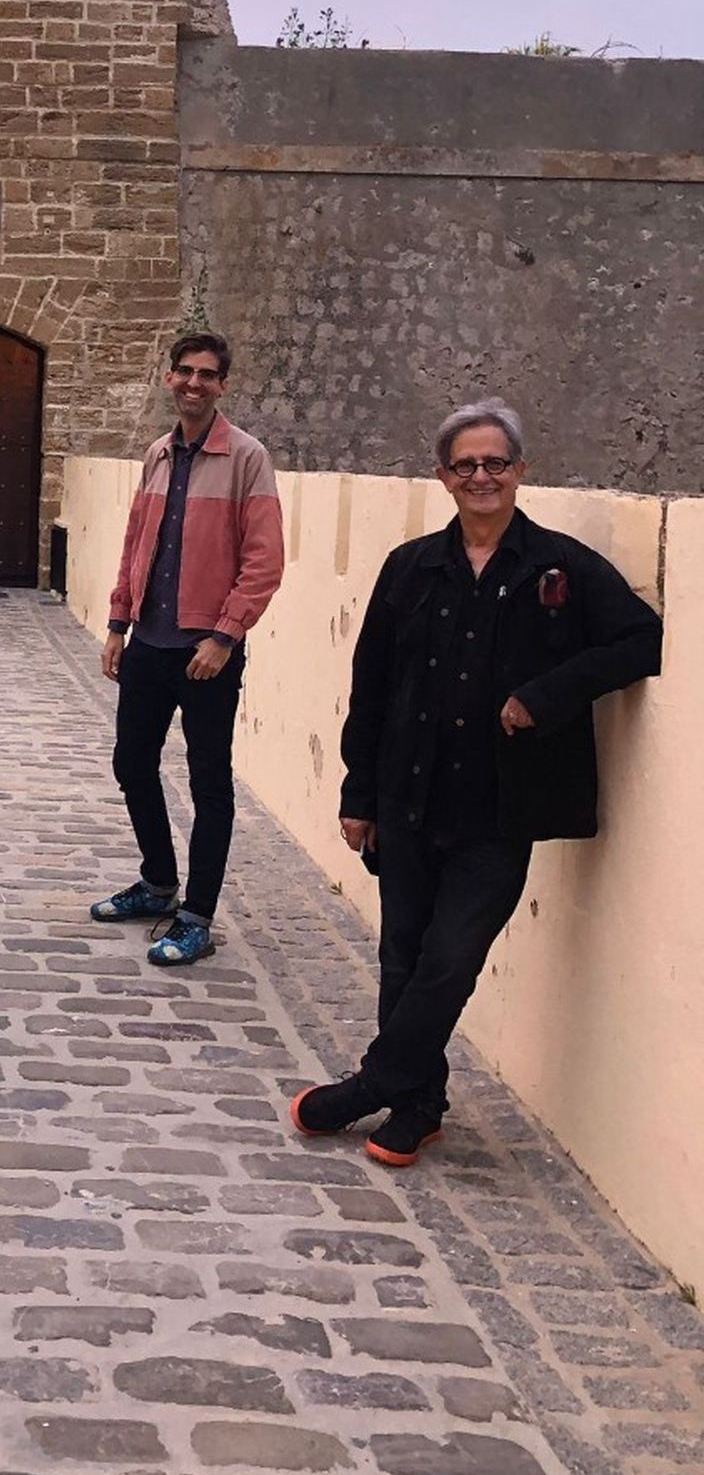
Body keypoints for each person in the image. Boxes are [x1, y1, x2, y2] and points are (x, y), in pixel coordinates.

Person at [292, 400, 662, 1166]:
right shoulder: (411, 567)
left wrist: (545, 696)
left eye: (496, 462)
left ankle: (372, 1085)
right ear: (443, 477)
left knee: (450, 959)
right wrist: (358, 795)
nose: (482, 476)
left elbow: (640, 637)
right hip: (407, 797)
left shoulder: (560, 566)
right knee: (402, 957)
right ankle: (418, 1106)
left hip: (500, 811)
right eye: (466, 464)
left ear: (521, 471)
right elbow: (373, 682)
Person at [92, 331, 284, 965]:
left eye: (207, 374)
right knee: (131, 764)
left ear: (222, 385)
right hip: (148, 639)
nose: (194, 383)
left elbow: (264, 560)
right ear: (169, 378)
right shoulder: (158, 454)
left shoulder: (247, 457)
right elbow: (134, 542)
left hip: (207, 651)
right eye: (184, 372)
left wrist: (226, 635)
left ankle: (196, 915)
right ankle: (156, 882)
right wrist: (118, 622)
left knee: (209, 784)